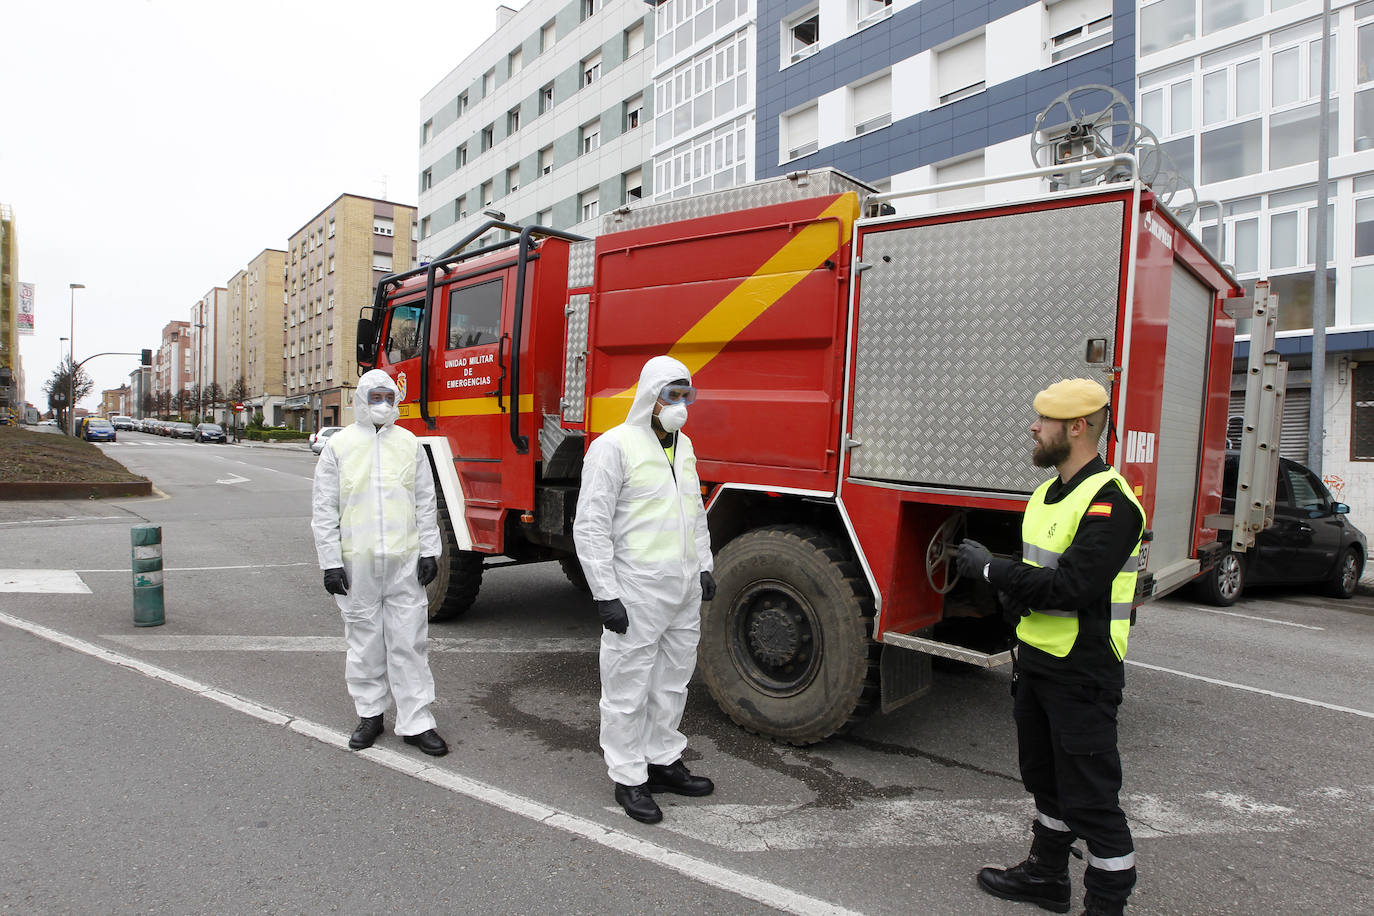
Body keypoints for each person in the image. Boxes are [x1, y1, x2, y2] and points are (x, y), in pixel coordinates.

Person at [955, 378, 1145, 916]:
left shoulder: (1112, 503)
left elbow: (1071, 589)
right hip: (1037, 662)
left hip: (1083, 672)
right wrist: (1010, 596)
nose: (1034, 428)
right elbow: (1038, 574)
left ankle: (1105, 906)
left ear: (1077, 428)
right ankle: (1046, 877)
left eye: (1044, 421)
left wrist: (992, 568)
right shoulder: (1045, 493)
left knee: (1093, 801)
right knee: (1046, 779)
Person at [573, 355, 717, 824]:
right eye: (671, 394)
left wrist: (704, 567)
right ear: (650, 397)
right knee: (627, 685)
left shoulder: (685, 446)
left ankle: (663, 760)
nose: (680, 404)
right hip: (636, 588)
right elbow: (591, 524)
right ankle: (629, 777)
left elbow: (694, 512)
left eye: (686, 394)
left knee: (673, 680)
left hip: (681, 588)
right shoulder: (614, 447)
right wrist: (605, 593)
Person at [310, 369, 448, 757]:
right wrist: (330, 562)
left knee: (410, 641)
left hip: (404, 562)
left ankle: (417, 719)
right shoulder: (340, 447)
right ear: (361, 399)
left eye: (389, 397)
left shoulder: (409, 444)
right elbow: (324, 508)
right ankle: (370, 714)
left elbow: (425, 502)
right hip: (358, 565)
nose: (383, 405)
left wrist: (428, 552)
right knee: (364, 642)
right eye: (375, 397)